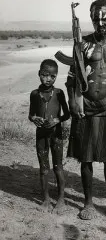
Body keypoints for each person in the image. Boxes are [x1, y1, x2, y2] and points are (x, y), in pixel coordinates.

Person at [66, 0, 106, 220]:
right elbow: (72, 79)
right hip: (86, 109)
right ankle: (88, 203)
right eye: (96, 19)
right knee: (86, 158)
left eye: (104, 19)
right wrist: (74, 103)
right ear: (91, 20)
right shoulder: (81, 44)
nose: (100, 24)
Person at [29, 59, 70, 213]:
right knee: (43, 169)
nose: (48, 79)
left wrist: (57, 121)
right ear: (39, 74)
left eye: (52, 76)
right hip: (41, 135)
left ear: (56, 76)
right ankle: (45, 199)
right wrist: (34, 119)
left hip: (56, 135)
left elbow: (66, 114)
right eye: (45, 75)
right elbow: (30, 114)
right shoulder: (34, 94)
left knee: (58, 167)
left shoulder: (59, 93)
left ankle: (61, 199)